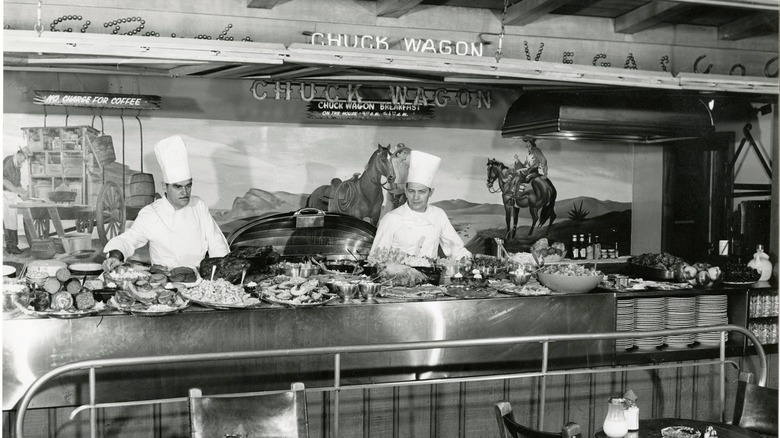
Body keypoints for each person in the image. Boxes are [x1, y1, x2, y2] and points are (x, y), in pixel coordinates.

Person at [102, 135, 229, 271]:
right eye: (178, 187)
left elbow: (216, 240)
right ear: (164, 187)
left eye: (188, 186)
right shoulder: (151, 213)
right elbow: (129, 239)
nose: (185, 192)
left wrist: (223, 270)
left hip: (198, 278)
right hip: (164, 281)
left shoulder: (198, 205)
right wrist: (116, 255)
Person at [369, 150, 471, 260]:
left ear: (430, 193)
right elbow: (376, 258)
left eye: (421, 192)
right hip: (398, 275)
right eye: (412, 191)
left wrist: (469, 261)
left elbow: (456, 249)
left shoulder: (438, 215)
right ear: (406, 192)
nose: (416, 197)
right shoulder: (391, 219)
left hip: (431, 275)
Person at [3, 147, 30, 254]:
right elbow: (4, 181)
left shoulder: (17, 167)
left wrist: (24, 192)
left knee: (12, 220)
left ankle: (12, 246)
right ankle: (10, 246)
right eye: (23, 159)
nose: (23, 161)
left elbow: (17, 184)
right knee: (8, 220)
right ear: (19, 155)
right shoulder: (8, 162)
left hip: (11, 195)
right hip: (4, 194)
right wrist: (19, 193)